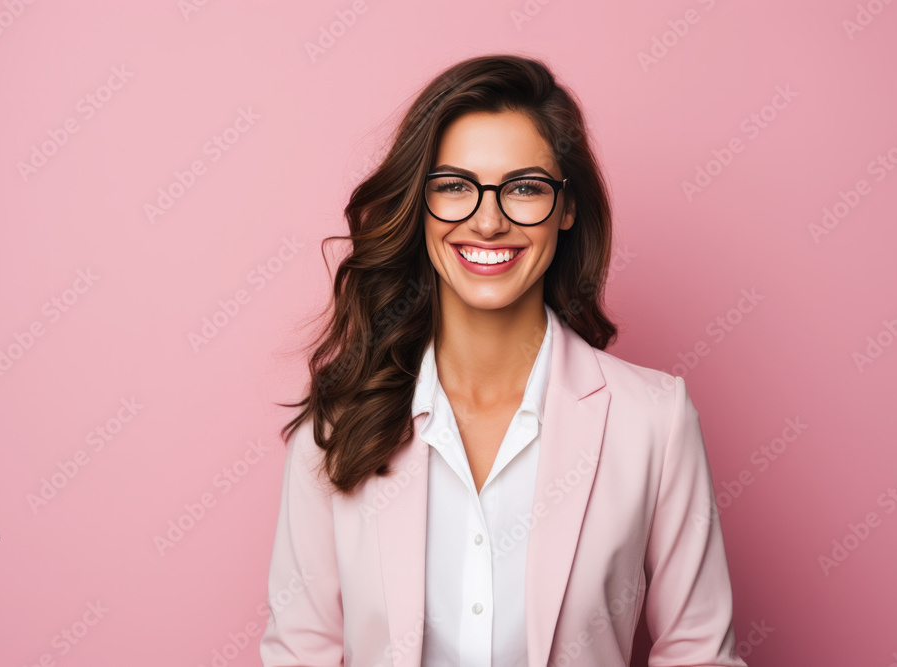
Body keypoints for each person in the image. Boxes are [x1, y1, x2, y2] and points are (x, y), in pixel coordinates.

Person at [259, 53, 748, 667]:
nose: (487, 223)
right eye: (455, 187)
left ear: (567, 208)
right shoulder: (336, 428)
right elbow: (301, 656)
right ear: (419, 205)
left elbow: (699, 656)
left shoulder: (653, 419)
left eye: (523, 188)